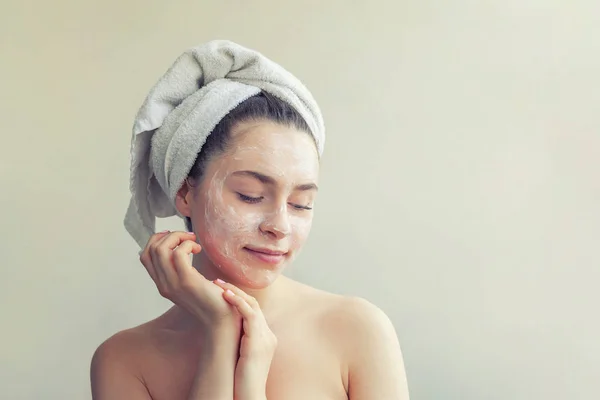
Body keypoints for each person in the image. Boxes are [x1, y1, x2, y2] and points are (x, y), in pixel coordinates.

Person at [90, 41, 410, 400]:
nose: (280, 226)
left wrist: (251, 380)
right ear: (185, 193)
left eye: (302, 203)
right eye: (250, 195)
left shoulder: (357, 330)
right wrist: (221, 332)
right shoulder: (126, 360)